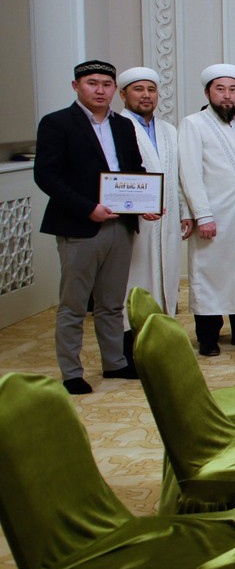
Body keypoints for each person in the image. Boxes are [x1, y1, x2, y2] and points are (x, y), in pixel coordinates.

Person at [34, 60, 150, 393]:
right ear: (76, 86)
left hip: (121, 224)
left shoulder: (123, 125)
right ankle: (71, 372)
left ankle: (115, 363)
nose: (100, 90)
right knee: (74, 305)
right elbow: (46, 176)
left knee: (112, 302)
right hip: (79, 226)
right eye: (92, 83)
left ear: (115, 89)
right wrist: (88, 208)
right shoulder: (57, 123)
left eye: (106, 84)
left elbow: (135, 170)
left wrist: (146, 202)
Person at [178, 64, 235, 356]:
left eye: (232, 89)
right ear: (208, 93)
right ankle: (208, 336)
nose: (227, 96)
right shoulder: (193, 124)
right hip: (214, 215)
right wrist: (202, 214)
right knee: (210, 273)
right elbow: (189, 173)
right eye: (220, 89)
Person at [117, 67, 185, 362]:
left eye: (151, 90)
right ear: (123, 94)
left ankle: (163, 340)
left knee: (166, 278)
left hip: (167, 218)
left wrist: (185, 211)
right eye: (138, 89)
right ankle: (132, 346)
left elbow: (178, 176)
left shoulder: (168, 130)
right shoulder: (117, 126)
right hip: (134, 221)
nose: (146, 95)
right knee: (135, 280)